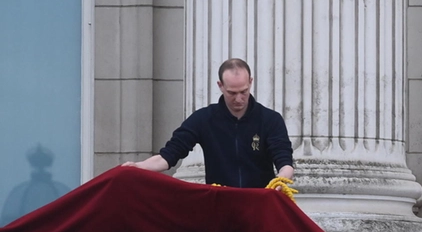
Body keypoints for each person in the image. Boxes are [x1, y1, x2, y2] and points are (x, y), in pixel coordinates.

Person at [123, 58, 295, 188]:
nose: (239, 99)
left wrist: (282, 179)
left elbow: (284, 161)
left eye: (244, 91)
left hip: (260, 204)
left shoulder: (270, 119)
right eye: (231, 93)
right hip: (221, 205)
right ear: (220, 86)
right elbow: (168, 156)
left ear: (251, 82)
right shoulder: (203, 119)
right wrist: (138, 167)